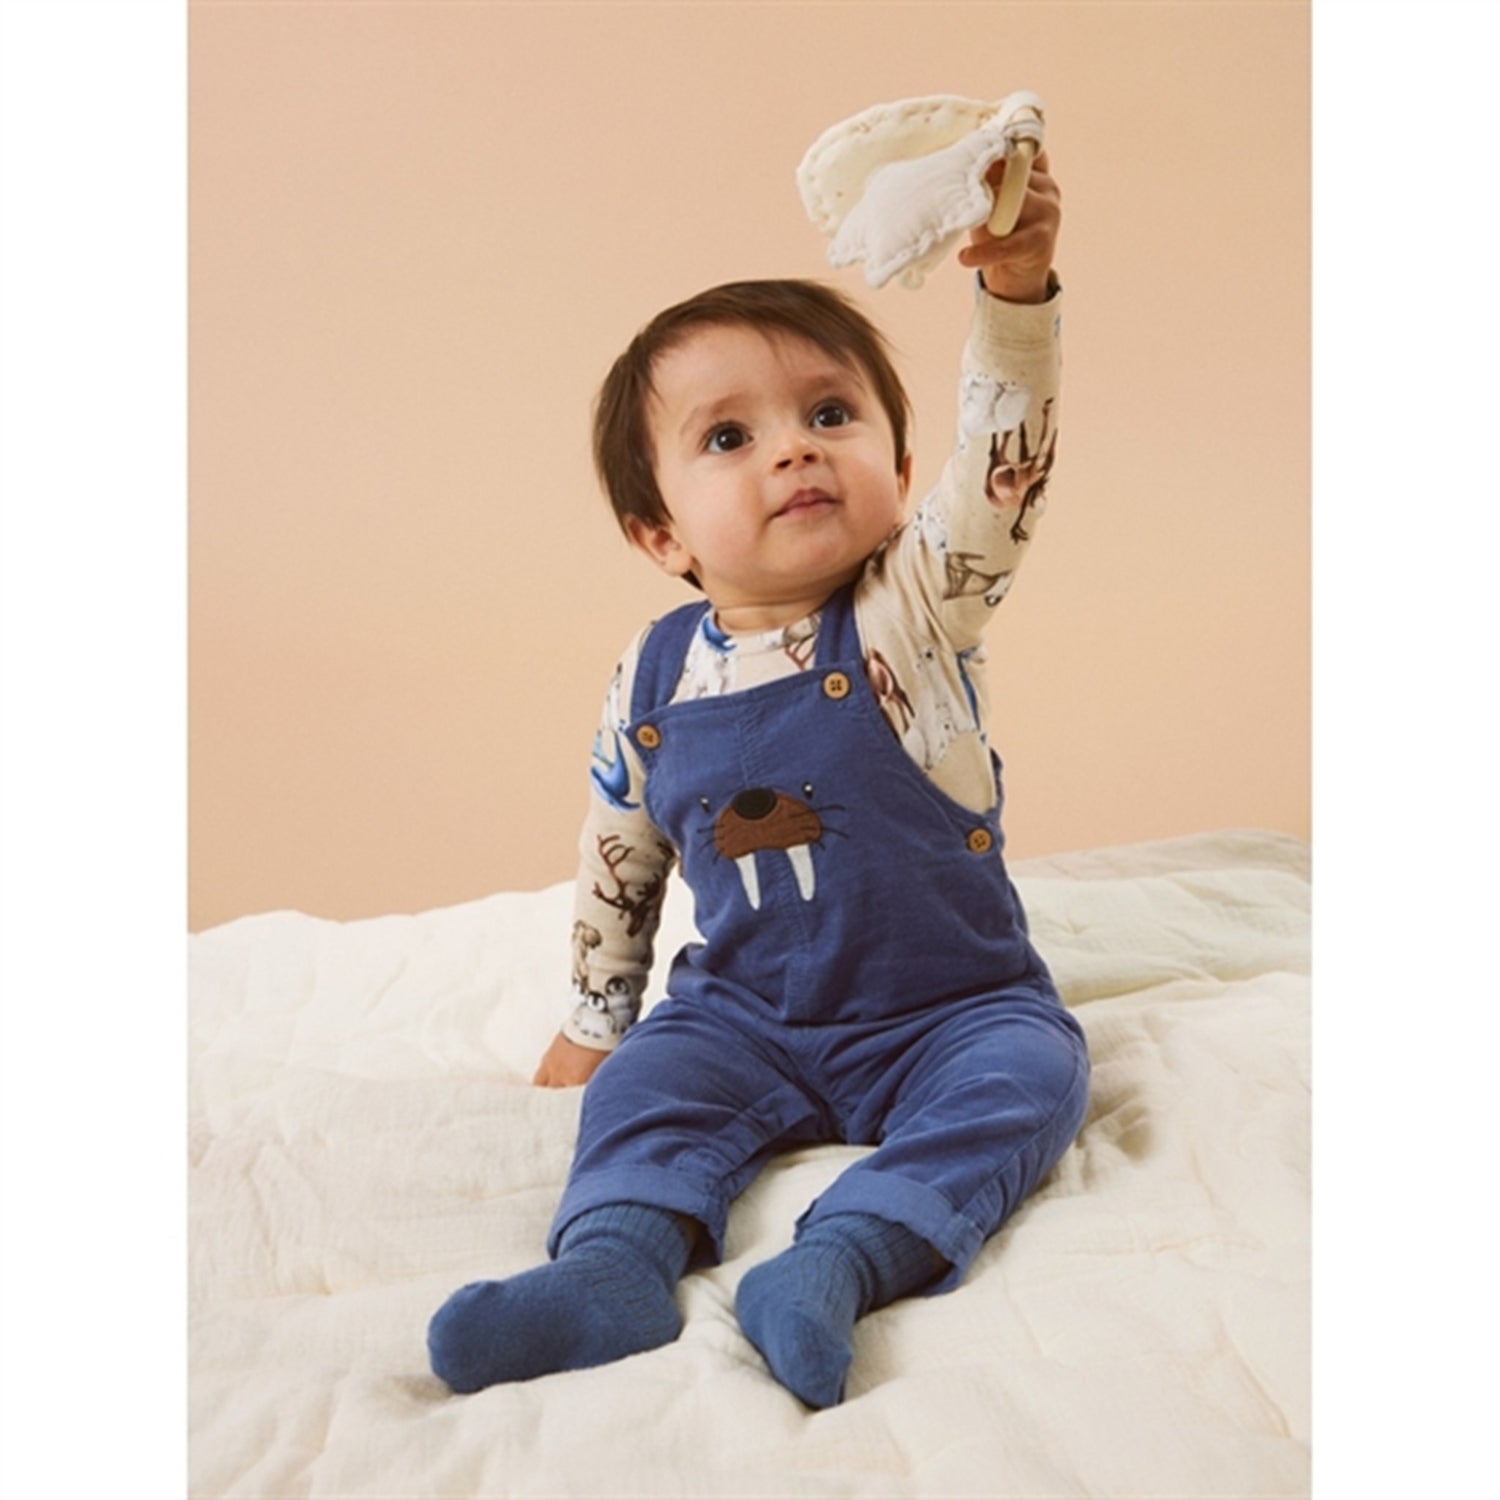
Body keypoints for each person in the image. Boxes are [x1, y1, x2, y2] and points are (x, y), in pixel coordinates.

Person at [428, 151, 1089, 1409]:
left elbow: (1009, 468)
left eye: (831, 415)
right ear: (660, 532)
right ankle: (615, 1269)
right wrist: (595, 1021)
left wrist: (1015, 293)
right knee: (647, 1090)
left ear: (905, 472)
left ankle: (837, 1263)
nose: (793, 452)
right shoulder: (653, 675)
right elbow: (620, 853)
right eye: (729, 438)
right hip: (746, 1017)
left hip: (950, 1008)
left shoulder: (916, 608)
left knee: (1035, 1078)